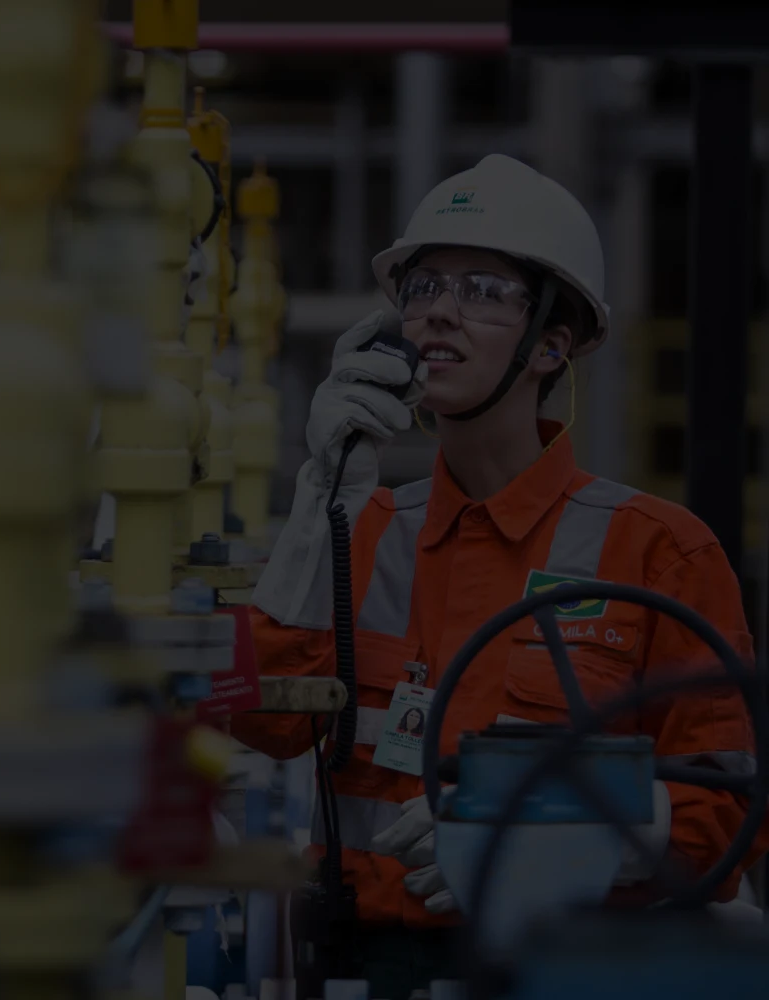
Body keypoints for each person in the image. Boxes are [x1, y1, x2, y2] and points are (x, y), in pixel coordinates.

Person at [231, 153, 768, 999]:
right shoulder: (358, 528)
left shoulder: (660, 551)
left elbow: (726, 817)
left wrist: (539, 845)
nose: (439, 312)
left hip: (566, 968)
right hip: (366, 965)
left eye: (482, 290)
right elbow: (255, 718)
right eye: (421, 287)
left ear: (553, 344)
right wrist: (317, 495)